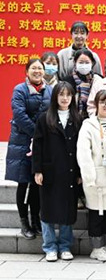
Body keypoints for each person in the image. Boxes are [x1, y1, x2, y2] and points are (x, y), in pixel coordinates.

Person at [32, 82, 82, 262]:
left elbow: (82, 148)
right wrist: (37, 170)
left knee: (67, 210)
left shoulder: (78, 119)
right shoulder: (45, 119)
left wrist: (80, 173)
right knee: (48, 210)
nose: (65, 98)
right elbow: (37, 146)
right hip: (50, 171)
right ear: (55, 97)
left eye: (68, 95)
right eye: (61, 94)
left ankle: (65, 246)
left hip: (70, 171)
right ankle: (50, 246)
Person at [5, 59, 52, 240]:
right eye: (34, 68)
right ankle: (24, 221)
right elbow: (19, 115)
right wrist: (36, 133)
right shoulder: (20, 90)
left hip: (41, 142)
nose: (37, 71)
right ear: (27, 71)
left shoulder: (50, 90)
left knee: (36, 183)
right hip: (22, 142)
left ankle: (36, 220)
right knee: (23, 182)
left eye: (40, 68)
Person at [76, 90, 106, 262]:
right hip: (96, 175)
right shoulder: (88, 125)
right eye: (103, 102)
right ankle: (96, 247)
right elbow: (83, 153)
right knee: (97, 213)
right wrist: (89, 177)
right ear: (96, 104)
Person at [63, 49, 102, 120]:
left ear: (92, 63)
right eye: (81, 62)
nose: (84, 65)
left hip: (94, 118)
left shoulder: (99, 80)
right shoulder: (67, 81)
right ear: (75, 62)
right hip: (72, 119)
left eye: (87, 62)